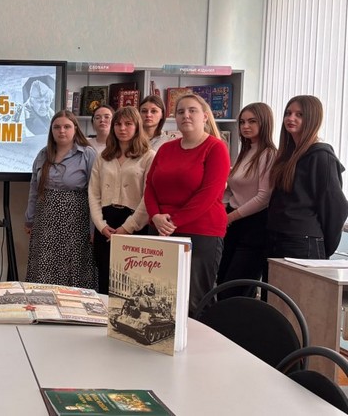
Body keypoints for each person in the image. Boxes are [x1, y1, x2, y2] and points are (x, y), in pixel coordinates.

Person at [143, 93, 229, 314]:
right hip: (161, 230)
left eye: (192, 110)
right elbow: (150, 186)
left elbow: (209, 194)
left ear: (205, 116)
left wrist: (173, 222)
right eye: (180, 112)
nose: (186, 115)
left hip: (200, 232)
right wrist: (155, 216)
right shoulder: (165, 149)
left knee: (194, 300)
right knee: (158, 299)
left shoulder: (216, 148)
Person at [267, 95, 348, 260]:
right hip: (277, 237)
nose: (291, 118)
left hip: (302, 241)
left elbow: (335, 207)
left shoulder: (321, 156)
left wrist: (325, 246)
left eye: (299, 115)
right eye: (288, 113)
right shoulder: (288, 155)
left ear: (312, 119)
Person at [25, 110, 97, 289]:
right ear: (51, 130)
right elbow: (34, 189)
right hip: (45, 221)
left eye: (67, 126)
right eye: (56, 127)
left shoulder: (87, 154)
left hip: (76, 222)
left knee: (73, 267)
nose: (61, 131)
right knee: (44, 264)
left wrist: (93, 228)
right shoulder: (43, 154)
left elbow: (95, 193)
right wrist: (29, 219)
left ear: (75, 129)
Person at [88, 106, 155, 294]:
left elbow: (148, 196)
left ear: (137, 126)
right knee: (105, 279)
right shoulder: (103, 156)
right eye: (118, 124)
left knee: (131, 284)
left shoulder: (148, 156)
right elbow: (94, 193)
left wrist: (128, 227)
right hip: (106, 224)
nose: (122, 128)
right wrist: (101, 225)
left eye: (128, 124)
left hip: (134, 223)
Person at [216, 103, 277, 299]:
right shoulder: (245, 151)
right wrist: (222, 209)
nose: (245, 126)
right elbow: (231, 188)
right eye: (242, 122)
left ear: (264, 123)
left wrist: (231, 217)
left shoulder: (268, 154)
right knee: (221, 282)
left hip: (254, 226)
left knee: (236, 288)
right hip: (233, 223)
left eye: (252, 121)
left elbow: (263, 197)